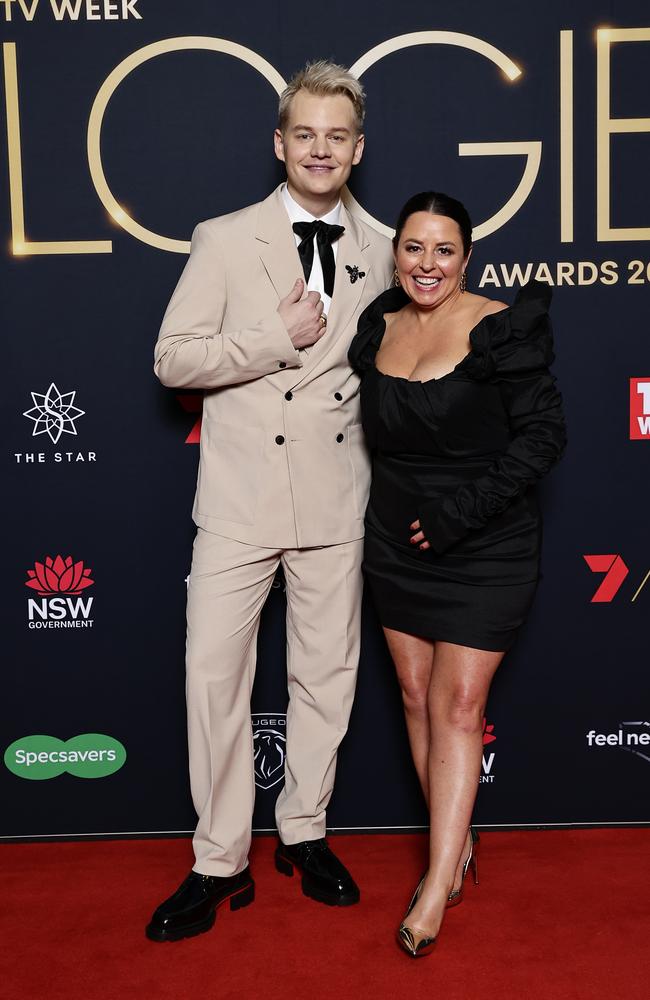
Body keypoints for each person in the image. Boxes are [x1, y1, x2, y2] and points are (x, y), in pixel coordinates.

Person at [146, 61, 393, 942]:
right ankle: (218, 860)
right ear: (279, 144)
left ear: (357, 150)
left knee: (325, 679)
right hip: (239, 501)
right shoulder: (223, 238)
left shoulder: (388, 246)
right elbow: (173, 359)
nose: (320, 150)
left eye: (337, 136)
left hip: (336, 500)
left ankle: (305, 831)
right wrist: (268, 338)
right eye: (305, 134)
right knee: (213, 677)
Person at [348, 191, 566, 957]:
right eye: (413, 248)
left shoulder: (502, 326)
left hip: (484, 544)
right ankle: (456, 844)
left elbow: (544, 438)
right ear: (396, 253)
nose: (427, 264)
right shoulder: (378, 324)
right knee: (415, 695)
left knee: (460, 705)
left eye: (444, 250)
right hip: (395, 545)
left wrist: (456, 516)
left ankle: (437, 882)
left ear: (466, 257)